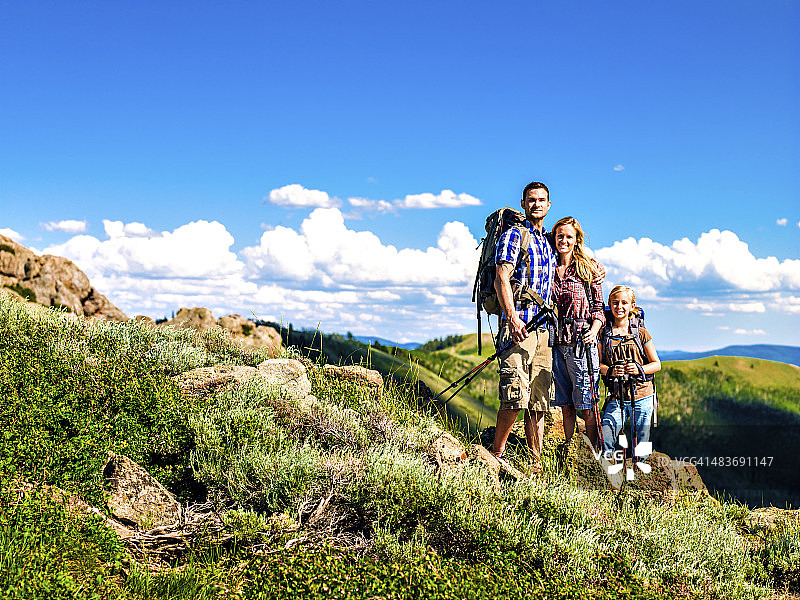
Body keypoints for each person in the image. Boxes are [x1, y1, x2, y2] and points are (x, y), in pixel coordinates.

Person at [492, 181, 557, 472]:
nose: (536, 205)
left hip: (544, 331)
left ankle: (535, 464)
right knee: (515, 396)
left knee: (539, 401)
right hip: (519, 326)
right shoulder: (515, 235)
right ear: (523, 203)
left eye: (542, 200)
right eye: (531, 200)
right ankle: (497, 454)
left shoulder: (549, 242)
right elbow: (500, 278)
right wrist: (512, 317)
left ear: (549, 204)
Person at [549, 216, 606, 448]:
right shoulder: (549, 265)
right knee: (565, 404)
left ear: (576, 240)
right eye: (560, 235)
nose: (563, 240)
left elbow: (598, 307)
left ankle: (593, 453)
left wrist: (594, 330)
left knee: (587, 404)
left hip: (581, 344)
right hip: (555, 343)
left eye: (568, 236)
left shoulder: (586, 267)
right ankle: (571, 448)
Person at [598, 285, 661, 459]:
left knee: (641, 444)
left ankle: (639, 477)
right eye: (615, 302)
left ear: (632, 306)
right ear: (609, 305)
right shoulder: (603, 334)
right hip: (616, 396)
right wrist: (611, 370)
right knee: (606, 434)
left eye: (624, 303)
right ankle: (608, 474)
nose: (619, 307)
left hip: (643, 395)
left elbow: (656, 364)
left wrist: (638, 369)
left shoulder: (641, 333)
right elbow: (598, 365)